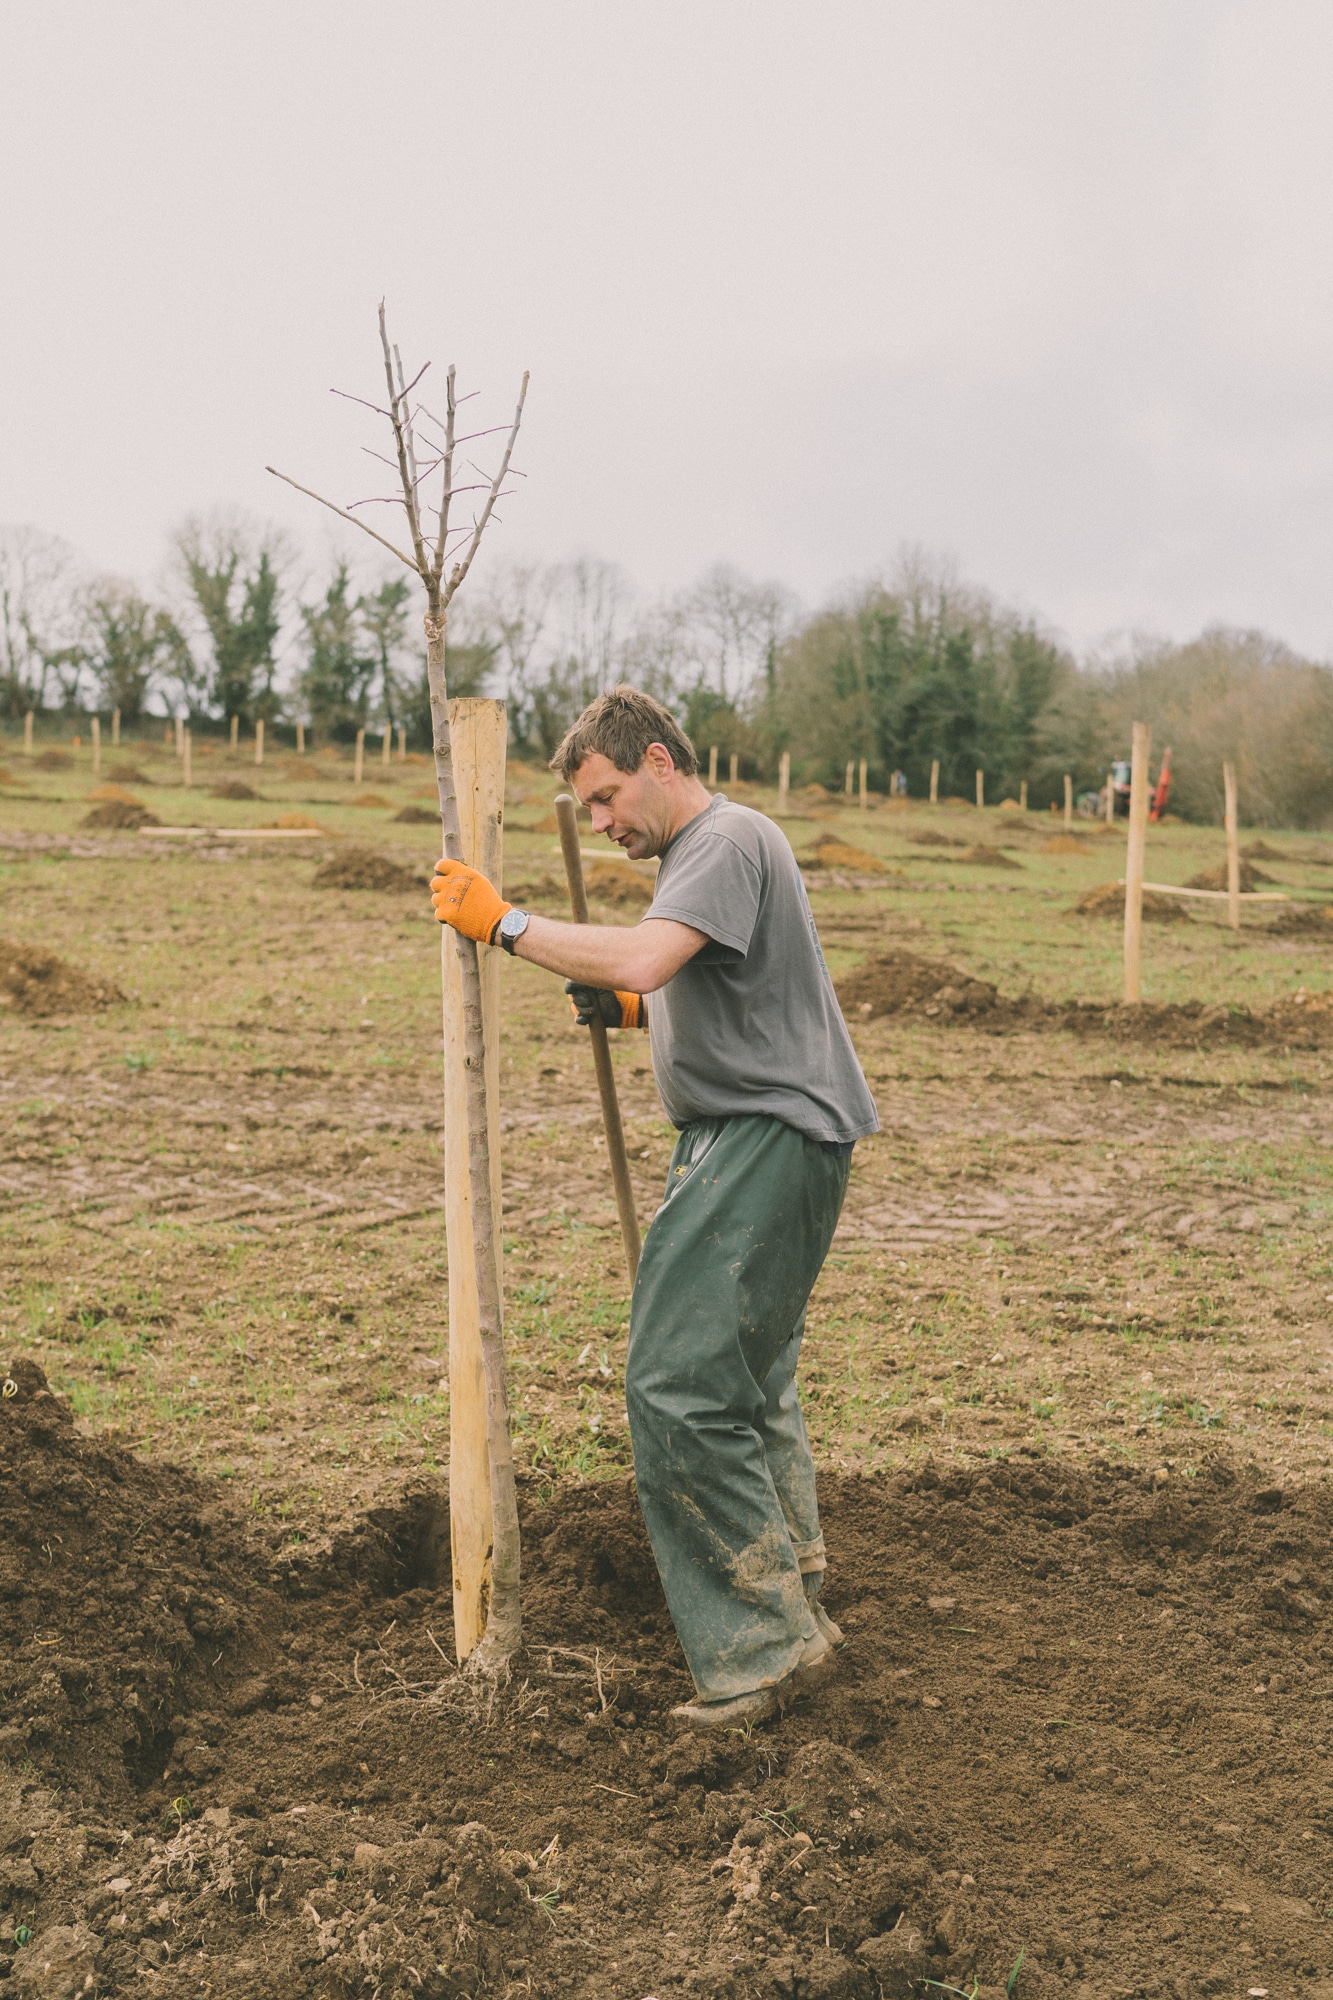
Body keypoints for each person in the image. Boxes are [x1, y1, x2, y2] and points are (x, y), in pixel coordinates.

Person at [430, 685, 879, 1728]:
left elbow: (644, 950)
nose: (601, 821)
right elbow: (703, 980)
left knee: (677, 1386)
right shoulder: (710, 852)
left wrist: (506, 923)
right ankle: (794, 1603)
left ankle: (760, 1653)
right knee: (747, 1382)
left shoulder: (720, 838)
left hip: (764, 1135)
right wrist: (641, 1010)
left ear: (661, 759)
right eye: (587, 809)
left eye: (605, 795)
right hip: (776, 1129)